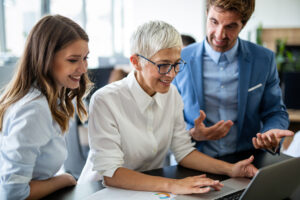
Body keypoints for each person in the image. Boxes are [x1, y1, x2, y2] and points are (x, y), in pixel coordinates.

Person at [78, 20, 257, 195]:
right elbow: (111, 174)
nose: (172, 74)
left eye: (176, 64)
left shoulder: (172, 95)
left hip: (149, 190)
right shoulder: (106, 100)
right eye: (163, 65)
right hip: (100, 192)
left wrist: (231, 170)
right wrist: (174, 185)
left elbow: (183, 151)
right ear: (135, 62)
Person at [173, 0, 294, 158]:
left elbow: (275, 111)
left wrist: (270, 133)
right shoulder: (179, 59)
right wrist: (191, 132)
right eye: (214, 22)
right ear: (206, 14)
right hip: (194, 159)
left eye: (230, 26)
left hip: (247, 158)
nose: (219, 34)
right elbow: (167, 117)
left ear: (243, 24)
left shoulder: (264, 59)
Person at [0, 15, 91, 200]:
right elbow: (12, 194)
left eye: (85, 58)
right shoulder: (34, 109)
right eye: (73, 60)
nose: (83, 69)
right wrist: (65, 179)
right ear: (46, 59)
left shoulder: (51, 101)